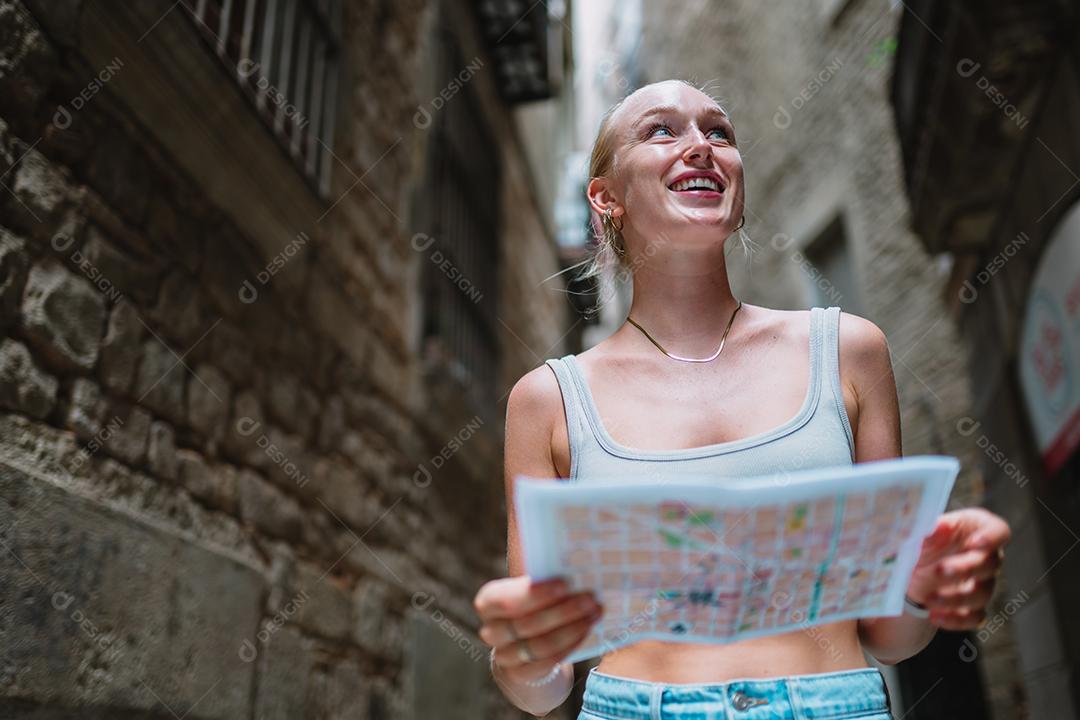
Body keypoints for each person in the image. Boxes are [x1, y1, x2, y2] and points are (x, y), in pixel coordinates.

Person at [473, 79, 1010, 719]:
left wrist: (922, 591)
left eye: (718, 132)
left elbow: (889, 637)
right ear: (606, 197)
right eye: (662, 131)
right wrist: (522, 652)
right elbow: (544, 689)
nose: (700, 146)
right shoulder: (546, 400)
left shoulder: (848, 351)